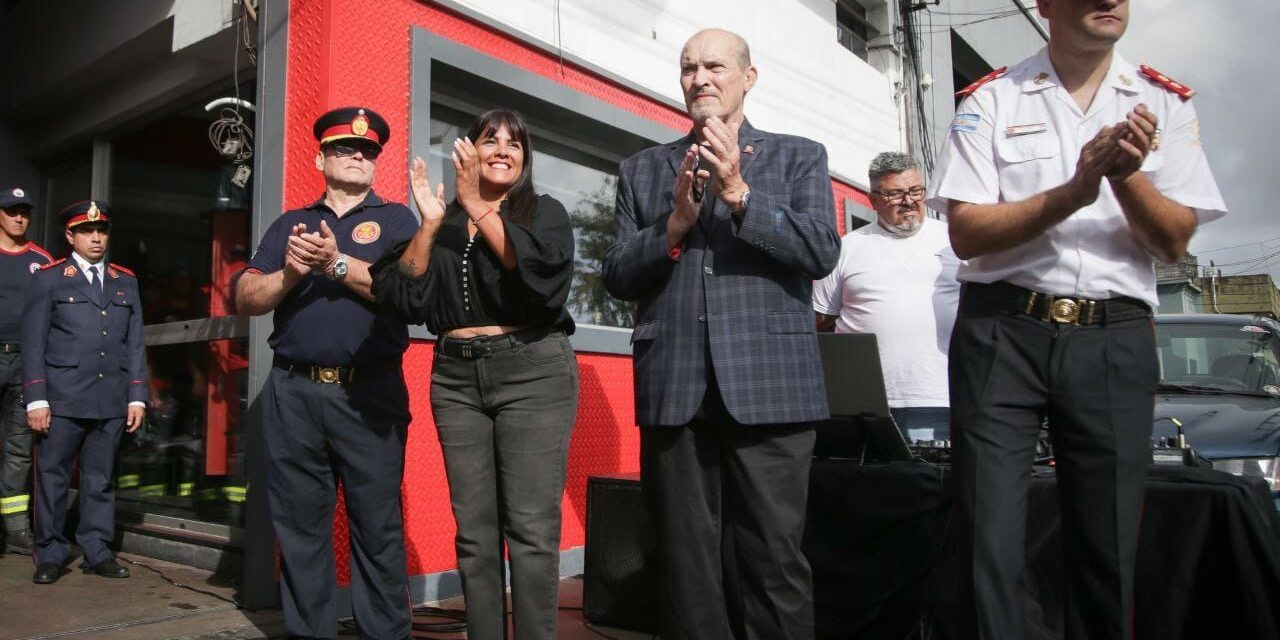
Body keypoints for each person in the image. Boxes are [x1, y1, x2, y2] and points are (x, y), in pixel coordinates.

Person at [925, 1, 1227, 638]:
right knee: (990, 537)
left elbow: (1174, 241)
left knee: (1108, 538)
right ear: (1045, 5)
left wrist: (1127, 178)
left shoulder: (1162, 101)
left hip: (1112, 335)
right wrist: (1075, 189)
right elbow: (967, 232)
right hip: (1004, 328)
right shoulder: (992, 99)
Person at [603, 28, 840, 640]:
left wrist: (739, 195)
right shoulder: (642, 169)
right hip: (676, 384)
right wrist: (676, 223)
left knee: (774, 559)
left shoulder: (799, 156)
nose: (700, 78)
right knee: (685, 566)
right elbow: (617, 275)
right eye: (688, 68)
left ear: (747, 78)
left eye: (714, 66)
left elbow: (820, 251)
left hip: (771, 385)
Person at [370, 108, 578, 640]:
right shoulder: (448, 220)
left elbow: (539, 280)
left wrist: (476, 206)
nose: (503, 149)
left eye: (515, 142)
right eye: (490, 140)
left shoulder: (543, 212)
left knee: (530, 530)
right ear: (469, 151)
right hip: (457, 380)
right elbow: (403, 294)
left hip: (533, 372)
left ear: (525, 158)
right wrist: (432, 224)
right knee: (474, 534)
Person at [235, 106, 418, 639]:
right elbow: (246, 296)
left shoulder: (397, 221)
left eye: (368, 151)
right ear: (320, 159)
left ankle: (385, 633)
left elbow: (408, 295)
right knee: (300, 530)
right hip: (293, 393)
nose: (359, 155)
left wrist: (335, 263)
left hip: (370, 394)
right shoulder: (289, 224)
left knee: (378, 528)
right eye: (345, 148)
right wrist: (290, 272)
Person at [22, 200, 147, 584]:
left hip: (109, 397)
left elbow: (135, 341)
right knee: (53, 477)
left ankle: (96, 549)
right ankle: (51, 552)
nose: (96, 238)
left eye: (102, 231)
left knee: (100, 478)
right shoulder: (49, 278)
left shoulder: (126, 280)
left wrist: (137, 395)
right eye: (87, 231)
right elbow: (34, 341)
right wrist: (37, 398)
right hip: (61, 397)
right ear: (70, 236)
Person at [813, 152, 960, 442]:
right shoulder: (845, 249)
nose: (909, 201)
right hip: (870, 405)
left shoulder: (954, 241)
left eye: (916, 190)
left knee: (942, 484)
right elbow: (821, 323)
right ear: (873, 199)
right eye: (895, 194)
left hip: (945, 395)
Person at [0, 187, 53, 554]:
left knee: (19, 449)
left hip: (27, 361)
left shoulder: (41, 259)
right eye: (11, 211)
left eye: (24, 212)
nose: (19, 218)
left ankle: (16, 530)